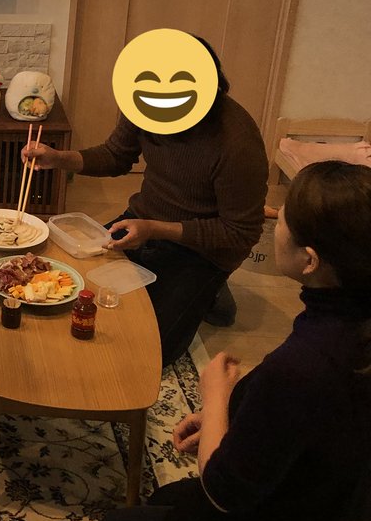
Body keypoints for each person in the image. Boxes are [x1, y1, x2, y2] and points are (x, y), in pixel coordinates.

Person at [97, 160, 371, 521]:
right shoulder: (349, 324)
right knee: (164, 500)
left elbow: (224, 490)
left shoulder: (306, 364)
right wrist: (227, 420)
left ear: (310, 260)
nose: (274, 223)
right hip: (323, 505)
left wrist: (216, 397)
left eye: (284, 219)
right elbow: (307, 425)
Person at [21, 39, 266, 365]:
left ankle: (211, 289)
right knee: (62, 290)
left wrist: (155, 229)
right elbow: (116, 156)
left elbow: (241, 232)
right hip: (142, 221)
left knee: (148, 349)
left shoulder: (237, 141)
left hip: (202, 249)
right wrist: (58, 158)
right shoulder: (144, 99)